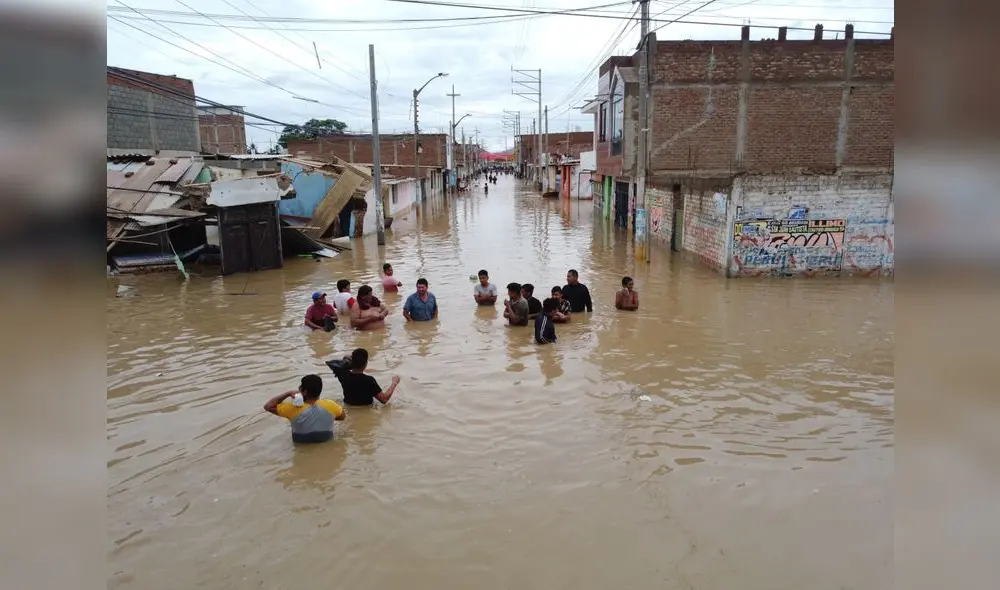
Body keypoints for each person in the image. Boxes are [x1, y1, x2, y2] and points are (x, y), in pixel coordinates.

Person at [263, 374, 345, 443]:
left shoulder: (292, 408)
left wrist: (288, 393)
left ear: (304, 391)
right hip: (326, 443)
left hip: (301, 445)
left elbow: (268, 406)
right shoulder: (331, 405)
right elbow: (342, 417)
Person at [326, 348, 401, 406]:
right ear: (366, 363)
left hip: (348, 406)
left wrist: (349, 364)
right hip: (367, 409)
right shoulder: (369, 380)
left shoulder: (343, 375)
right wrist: (394, 383)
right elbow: (384, 400)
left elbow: (330, 363)